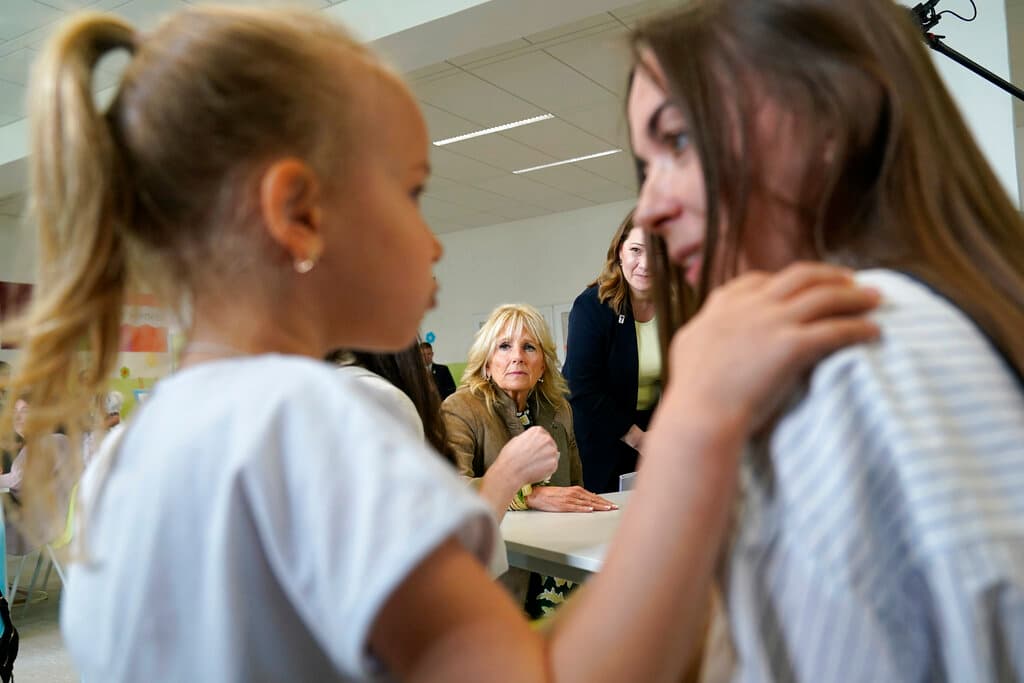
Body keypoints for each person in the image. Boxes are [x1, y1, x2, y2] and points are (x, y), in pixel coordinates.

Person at [3, 4, 880, 681]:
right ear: (298, 212)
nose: (433, 243)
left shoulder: (127, 453)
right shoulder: (324, 417)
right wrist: (699, 438)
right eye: (414, 193)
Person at [627, 0, 1024, 680]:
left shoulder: (837, 366)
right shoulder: (952, 320)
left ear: (830, 121)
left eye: (681, 141)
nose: (649, 208)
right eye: (646, 166)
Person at [443, 303, 618, 614]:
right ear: (486, 362)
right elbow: (451, 491)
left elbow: (575, 485)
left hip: (562, 556)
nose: (517, 357)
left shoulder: (558, 408)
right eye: (504, 346)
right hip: (500, 571)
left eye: (529, 347)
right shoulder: (460, 408)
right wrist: (530, 495)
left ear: (543, 366)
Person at [562, 210, 665, 493]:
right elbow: (582, 387)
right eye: (636, 250)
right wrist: (639, 440)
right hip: (601, 433)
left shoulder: (677, 306)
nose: (646, 264)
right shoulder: (592, 307)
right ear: (620, 251)